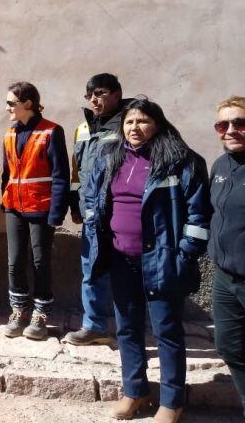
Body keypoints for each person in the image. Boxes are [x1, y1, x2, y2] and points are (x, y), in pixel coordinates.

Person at [84, 98, 210, 423]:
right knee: (127, 329)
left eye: (142, 122)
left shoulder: (181, 162)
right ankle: (135, 391)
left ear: (158, 125)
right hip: (120, 259)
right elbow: (94, 197)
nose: (134, 128)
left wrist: (184, 254)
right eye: (129, 122)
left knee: (167, 331)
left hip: (162, 261)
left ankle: (172, 400)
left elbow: (198, 215)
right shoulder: (110, 158)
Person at [65, 73, 132, 346]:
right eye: (90, 95)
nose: (94, 99)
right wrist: (75, 204)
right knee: (92, 269)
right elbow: (76, 171)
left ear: (117, 94)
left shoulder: (129, 125)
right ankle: (94, 326)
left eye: (101, 93)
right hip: (92, 214)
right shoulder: (83, 128)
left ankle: (130, 330)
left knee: (126, 273)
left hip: (121, 214)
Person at [1, 82, 69, 340]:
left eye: (11, 103)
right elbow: (7, 173)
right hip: (14, 208)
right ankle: (18, 310)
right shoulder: (9, 133)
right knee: (14, 262)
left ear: (27, 104)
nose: (7, 108)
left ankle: (41, 314)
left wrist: (56, 213)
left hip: (41, 208)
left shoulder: (51, 131)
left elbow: (61, 175)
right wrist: (5, 200)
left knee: (40, 262)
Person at [209, 96, 245, 419]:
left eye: (239, 123)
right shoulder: (220, 166)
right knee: (230, 347)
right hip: (224, 278)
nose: (231, 130)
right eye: (224, 124)